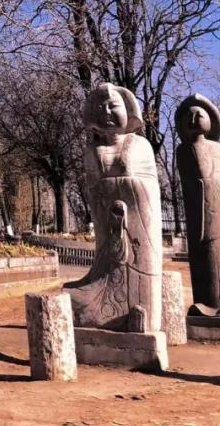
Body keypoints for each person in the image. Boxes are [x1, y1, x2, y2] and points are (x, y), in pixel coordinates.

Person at [65, 83, 163, 332]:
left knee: (137, 269)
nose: (107, 112)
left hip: (139, 230)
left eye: (113, 106)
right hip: (109, 229)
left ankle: (137, 312)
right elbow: (93, 191)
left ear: (128, 111)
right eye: (100, 107)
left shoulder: (140, 146)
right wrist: (108, 192)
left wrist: (117, 188)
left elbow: (149, 189)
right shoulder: (93, 151)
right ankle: (104, 306)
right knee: (76, 296)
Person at [175, 93, 220, 317]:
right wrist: (202, 185)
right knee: (200, 252)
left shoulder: (216, 148)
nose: (193, 119)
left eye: (199, 115)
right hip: (197, 207)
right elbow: (189, 178)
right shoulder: (183, 150)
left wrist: (215, 189)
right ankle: (204, 301)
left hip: (219, 206)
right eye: (189, 116)